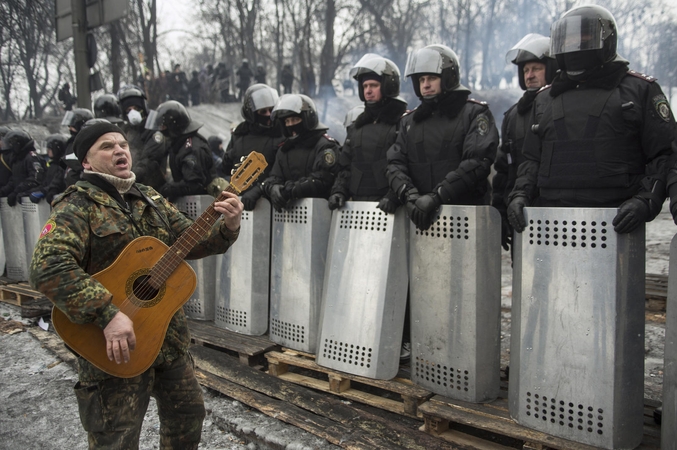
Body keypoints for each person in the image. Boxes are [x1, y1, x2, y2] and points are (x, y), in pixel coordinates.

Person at [29, 120, 243, 450]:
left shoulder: (151, 197)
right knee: (116, 438)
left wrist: (228, 226)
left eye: (123, 145)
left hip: (167, 338)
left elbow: (191, 243)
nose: (119, 150)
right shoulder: (76, 206)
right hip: (112, 346)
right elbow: (47, 266)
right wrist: (108, 313)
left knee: (188, 417)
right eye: (107, 146)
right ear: (86, 161)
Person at [507, 5, 674, 236]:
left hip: (616, 222)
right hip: (552, 221)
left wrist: (646, 200)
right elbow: (532, 160)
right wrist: (520, 194)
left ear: (606, 40)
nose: (576, 46)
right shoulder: (545, 98)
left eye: (584, 38)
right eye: (570, 39)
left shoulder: (638, 89)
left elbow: (664, 154)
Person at [385, 44, 499, 231]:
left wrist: (437, 196)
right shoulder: (409, 122)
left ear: (448, 78)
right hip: (418, 218)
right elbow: (394, 163)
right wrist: (410, 195)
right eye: (421, 79)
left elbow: (477, 162)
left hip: (465, 220)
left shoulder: (474, 113)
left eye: (432, 78)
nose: (426, 85)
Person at [492, 34, 558, 252]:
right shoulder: (513, 116)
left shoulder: (562, 107)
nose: (529, 75)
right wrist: (500, 214)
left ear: (551, 68)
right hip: (521, 214)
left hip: (555, 213)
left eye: (536, 68)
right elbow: (504, 171)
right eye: (525, 70)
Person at [328, 54, 407, 212]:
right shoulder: (356, 127)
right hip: (357, 208)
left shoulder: (402, 123)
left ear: (387, 86)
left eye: (373, 85)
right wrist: (339, 191)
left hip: (392, 211)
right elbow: (346, 166)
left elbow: (408, 166)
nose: (368, 91)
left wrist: (394, 196)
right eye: (365, 86)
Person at [261, 94, 340, 211]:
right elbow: (275, 176)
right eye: (287, 121)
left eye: (295, 119)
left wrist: (290, 190)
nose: (291, 125)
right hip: (288, 219)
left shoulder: (325, 145)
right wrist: (272, 187)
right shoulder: (284, 150)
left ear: (307, 119)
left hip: (320, 213)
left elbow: (323, 179)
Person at [222, 84, 284, 210]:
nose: (268, 114)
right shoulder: (240, 134)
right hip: (238, 204)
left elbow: (282, 171)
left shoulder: (282, 133)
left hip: (269, 206)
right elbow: (225, 168)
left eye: (271, 110)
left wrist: (259, 189)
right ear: (252, 113)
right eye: (263, 111)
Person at [145, 100, 217, 202]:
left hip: (201, 205)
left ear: (174, 126)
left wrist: (168, 189)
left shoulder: (192, 149)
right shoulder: (178, 143)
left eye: (163, 126)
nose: (161, 130)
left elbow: (194, 184)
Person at [118, 84, 168, 190]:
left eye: (136, 108)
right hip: (133, 186)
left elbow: (149, 159)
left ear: (143, 108)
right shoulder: (126, 130)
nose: (132, 113)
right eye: (128, 110)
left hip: (153, 187)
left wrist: (129, 178)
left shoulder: (154, 130)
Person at [0, 129, 45, 206]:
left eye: (12, 144)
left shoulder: (31, 157)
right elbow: (14, 179)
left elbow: (35, 179)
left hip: (34, 201)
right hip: (21, 197)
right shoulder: (17, 160)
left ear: (18, 144)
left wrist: (16, 191)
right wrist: (3, 191)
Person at [27, 134, 68, 204]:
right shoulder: (52, 164)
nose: (48, 151)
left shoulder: (63, 164)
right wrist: (30, 192)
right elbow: (46, 182)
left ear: (57, 149)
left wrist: (45, 191)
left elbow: (59, 181)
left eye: (50, 149)